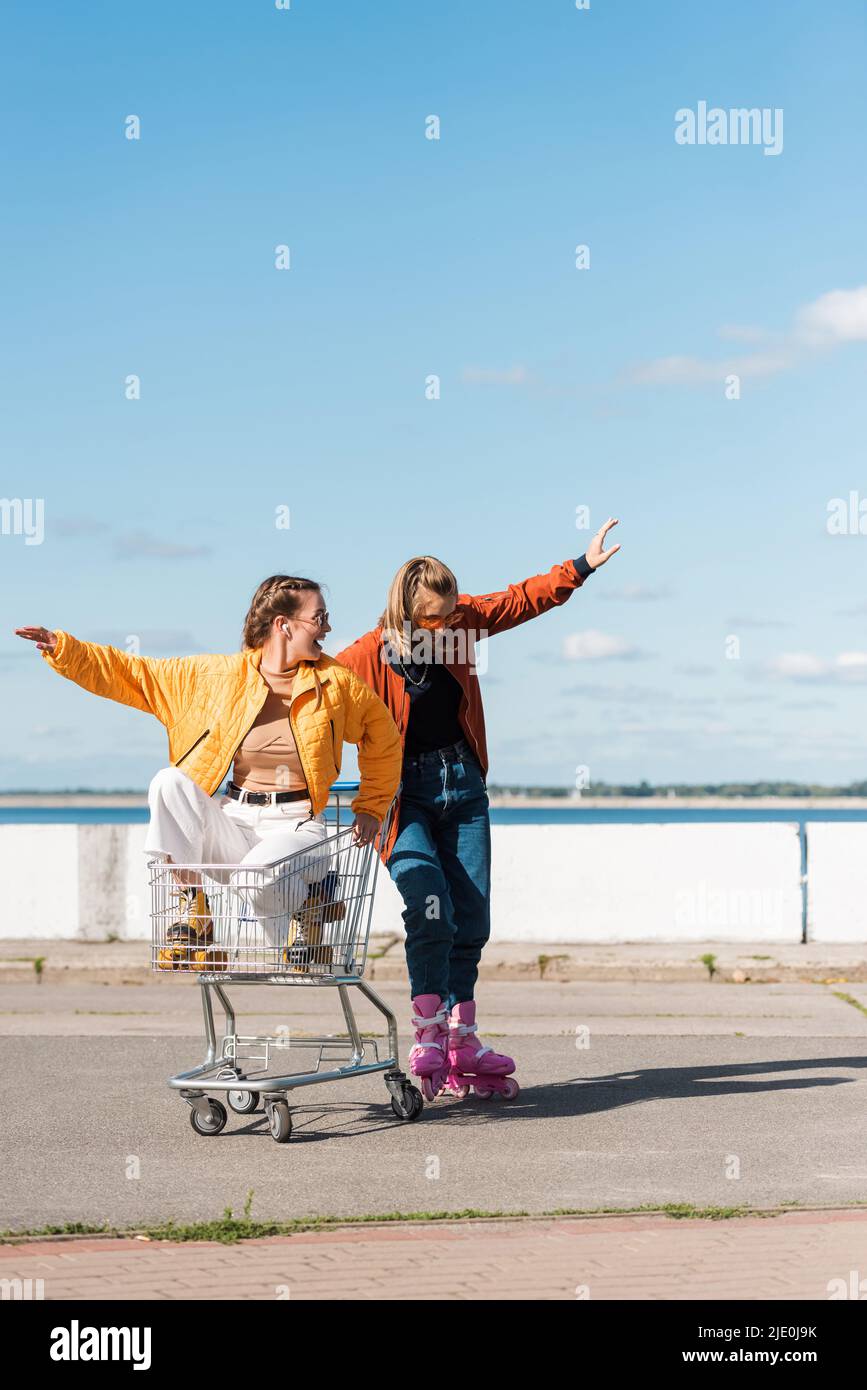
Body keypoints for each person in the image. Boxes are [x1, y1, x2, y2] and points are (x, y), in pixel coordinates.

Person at [336, 520, 621, 1099]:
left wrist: (579, 568)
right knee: (430, 907)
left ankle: (463, 1035)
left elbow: (516, 601)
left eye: (449, 616)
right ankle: (428, 1030)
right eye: (433, 618)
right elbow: (314, 704)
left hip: (463, 785)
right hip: (403, 797)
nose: (445, 626)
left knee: (473, 917)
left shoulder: (461, 622)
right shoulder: (365, 657)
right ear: (406, 610)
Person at [16, 575, 402, 966]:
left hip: (297, 826)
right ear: (283, 625)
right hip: (235, 820)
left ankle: (312, 900)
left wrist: (371, 807)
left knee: (257, 876)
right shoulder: (217, 679)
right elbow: (134, 674)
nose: (328, 628)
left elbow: (383, 737)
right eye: (319, 618)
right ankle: (197, 911)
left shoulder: (335, 684)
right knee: (168, 782)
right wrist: (65, 650)